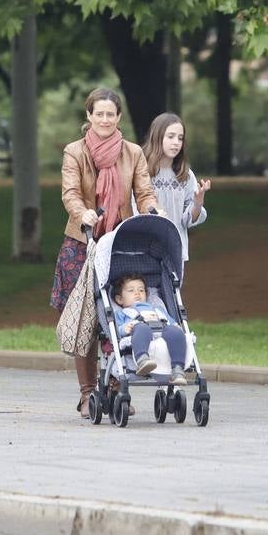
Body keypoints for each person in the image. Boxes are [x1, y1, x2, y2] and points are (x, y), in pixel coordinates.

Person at [52, 86, 160, 418]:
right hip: (82, 243)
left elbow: (144, 191)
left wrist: (152, 209)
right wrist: (81, 212)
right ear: (89, 116)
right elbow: (70, 192)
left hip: (119, 243)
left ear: (119, 118)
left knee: (117, 313)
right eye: (98, 113)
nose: (104, 119)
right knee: (87, 318)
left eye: (110, 114)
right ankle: (87, 394)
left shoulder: (133, 152)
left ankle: (116, 387)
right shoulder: (75, 151)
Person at [139, 113, 211, 263]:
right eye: (170, 136)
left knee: (173, 287)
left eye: (180, 138)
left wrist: (198, 203)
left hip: (175, 252)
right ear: (157, 137)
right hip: (144, 251)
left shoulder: (185, 175)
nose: (176, 142)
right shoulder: (141, 171)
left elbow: (187, 221)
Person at [111, 275, 188, 384]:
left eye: (141, 290)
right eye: (131, 290)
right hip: (140, 333)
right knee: (142, 327)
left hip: (162, 330)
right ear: (119, 299)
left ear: (147, 295)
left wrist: (176, 327)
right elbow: (115, 331)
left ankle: (178, 369)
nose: (137, 293)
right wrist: (124, 328)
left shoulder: (157, 309)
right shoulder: (122, 313)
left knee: (175, 332)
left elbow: (170, 321)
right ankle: (143, 360)